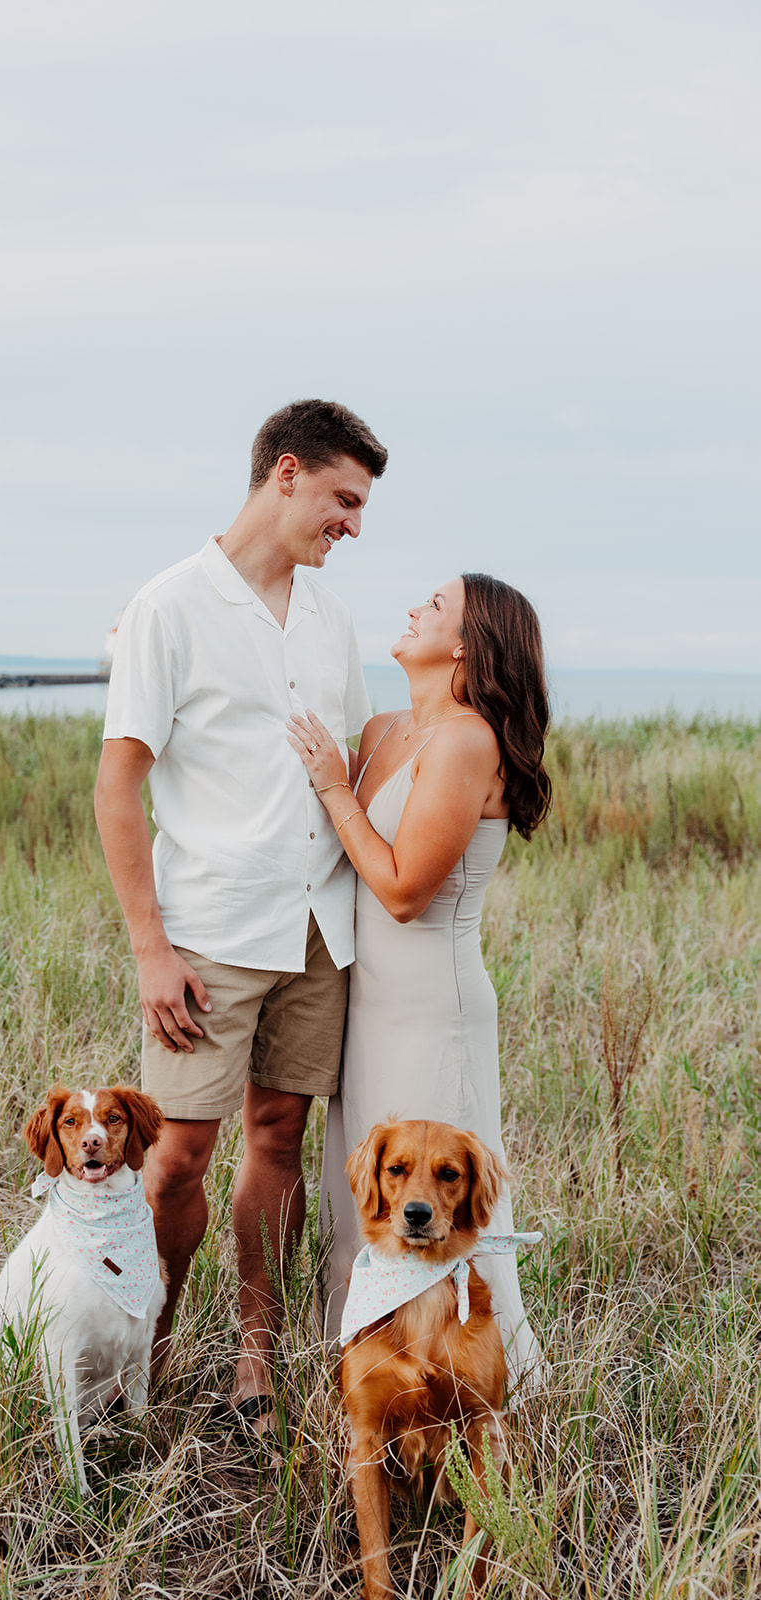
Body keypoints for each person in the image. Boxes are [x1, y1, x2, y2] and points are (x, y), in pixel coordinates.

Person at [94, 399, 389, 1430]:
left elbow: (354, 757)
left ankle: (252, 1362)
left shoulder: (329, 617)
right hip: (210, 931)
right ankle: (153, 1345)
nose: (351, 525)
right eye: (343, 501)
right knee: (176, 1154)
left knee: (278, 1133)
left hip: (319, 925)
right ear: (287, 476)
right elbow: (115, 788)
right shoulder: (168, 606)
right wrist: (149, 946)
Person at [287, 572, 551, 1386]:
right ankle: (372, 1390)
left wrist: (334, 785)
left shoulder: (467, 740)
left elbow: (401, 890)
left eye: (432, 606)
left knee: (441, 1208)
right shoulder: (383, 726)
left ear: (467, 644)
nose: (410, 609)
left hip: (434, 1012)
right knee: (363, 1201)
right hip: (366, 1009)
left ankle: (472, 1397)